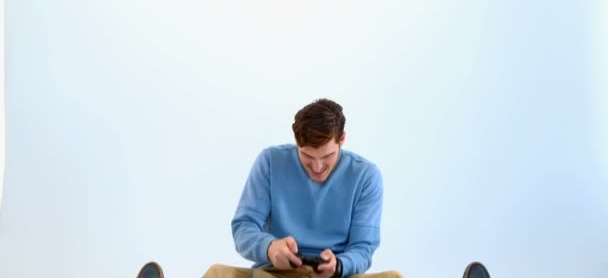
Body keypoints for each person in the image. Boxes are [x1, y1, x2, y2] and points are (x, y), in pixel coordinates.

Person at [135, 99, 493, 278]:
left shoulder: (366, 176)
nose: (317, 167)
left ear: (343, 140)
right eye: (307, 158)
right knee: (216, 274)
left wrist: (338, 266)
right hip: (274, 276)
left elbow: (364, 249)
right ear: (295, 144)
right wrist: (269, 246)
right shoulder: (270, 162)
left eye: (327, 156)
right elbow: (243, 228)